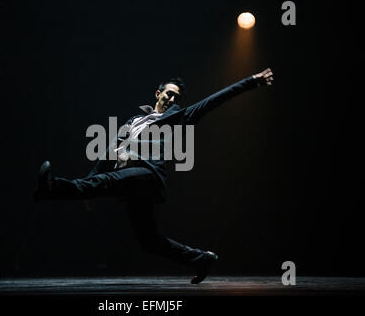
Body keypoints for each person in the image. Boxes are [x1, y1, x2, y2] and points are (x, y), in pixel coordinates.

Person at [34, 68, 274, 284]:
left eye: (176, 97)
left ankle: (53, 188)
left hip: (147, 175)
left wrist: (251, 82)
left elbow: (213, 101)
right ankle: (201, 259)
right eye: (168, 94)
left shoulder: (178, 118)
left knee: (107, 182)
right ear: (157, 93)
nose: (172, 99)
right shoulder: (134, 120)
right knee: (149, 241)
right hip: (130, 181)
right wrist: (88, 185)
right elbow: (109, 153)